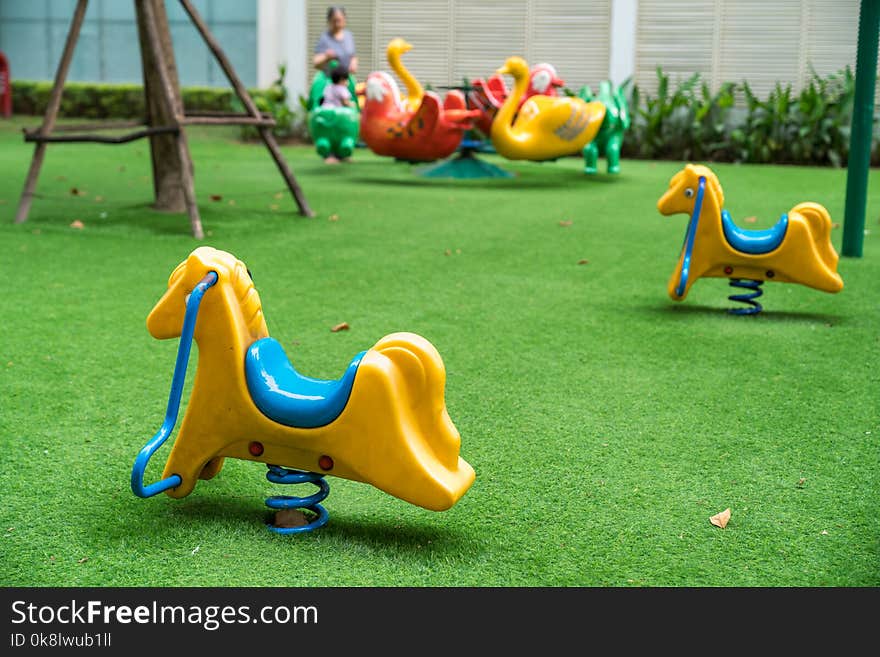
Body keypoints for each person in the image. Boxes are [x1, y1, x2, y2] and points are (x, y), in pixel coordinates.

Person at [313, 6, 358, 76]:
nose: (337, 24)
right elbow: (315, 63)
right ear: (329, 21)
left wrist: (353, 64)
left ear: (344, 20)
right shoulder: (325, 38)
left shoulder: (348, 35)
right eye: (334, 21)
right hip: (330, 81)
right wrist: (326, 56)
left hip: (345, 80)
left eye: (339, 20)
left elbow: (352, 55)